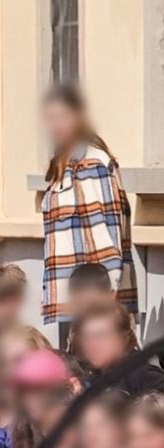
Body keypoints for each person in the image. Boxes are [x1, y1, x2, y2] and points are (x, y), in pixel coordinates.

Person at [40, 84, 136, 347]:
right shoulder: (64, 163)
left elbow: (106, 228)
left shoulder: (92, 163)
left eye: (62, 117)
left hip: (92, 296)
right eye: (51, 119)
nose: (55, 126)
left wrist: (110, 288)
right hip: (72, 293)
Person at [69, 301, 164, 395]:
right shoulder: (90, 379)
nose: (93, 345)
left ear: (124, 338)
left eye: (101, 336)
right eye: (87, 337)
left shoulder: (143, 377)